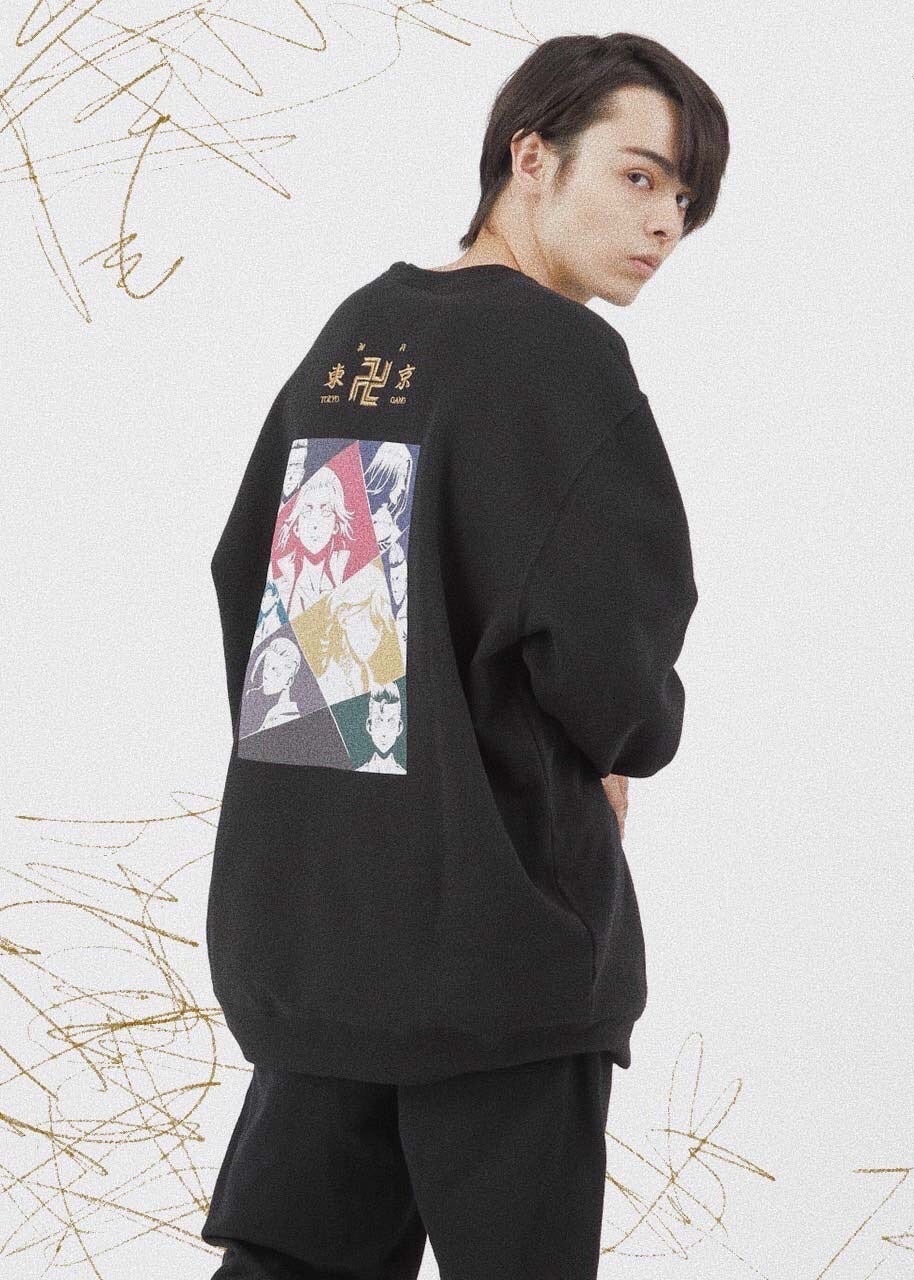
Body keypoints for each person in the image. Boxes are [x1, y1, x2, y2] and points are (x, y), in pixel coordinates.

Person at [200, 29, 730, 1280]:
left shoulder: (361, 331)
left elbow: (260, 591)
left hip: (317, 939)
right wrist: (620, 741)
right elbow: (611, 663)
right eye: (640, 176)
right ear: (529, 156)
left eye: (686, 199)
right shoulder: (560, 358)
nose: (665, 222)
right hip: (496, 957)